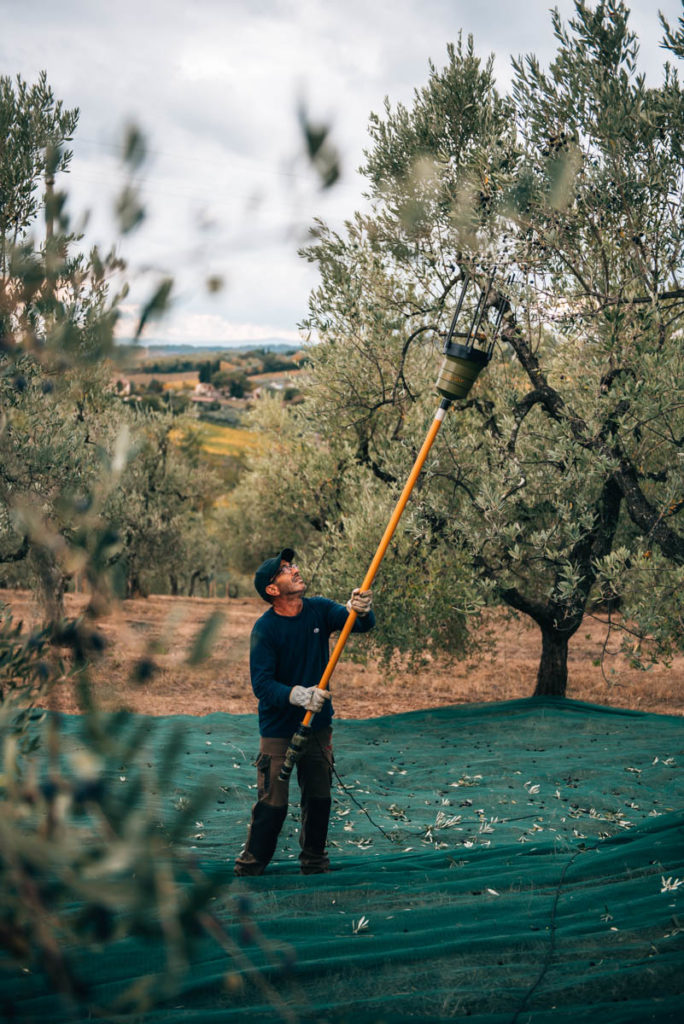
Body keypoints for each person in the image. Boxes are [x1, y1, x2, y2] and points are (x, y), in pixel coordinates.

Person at [234, 547, 374, 876]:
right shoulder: (265, 630)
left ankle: (314, 863)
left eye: (293, 565)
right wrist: (298, 695)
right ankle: (251, 866)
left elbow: (359, 624)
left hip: (318, 727)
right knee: (273, 804)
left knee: (319, 797)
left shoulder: (319, 610)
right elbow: (263, 686)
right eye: (285, 569)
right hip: (279, 730)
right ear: (272, 589)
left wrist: (362, 610)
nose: (295, 570)